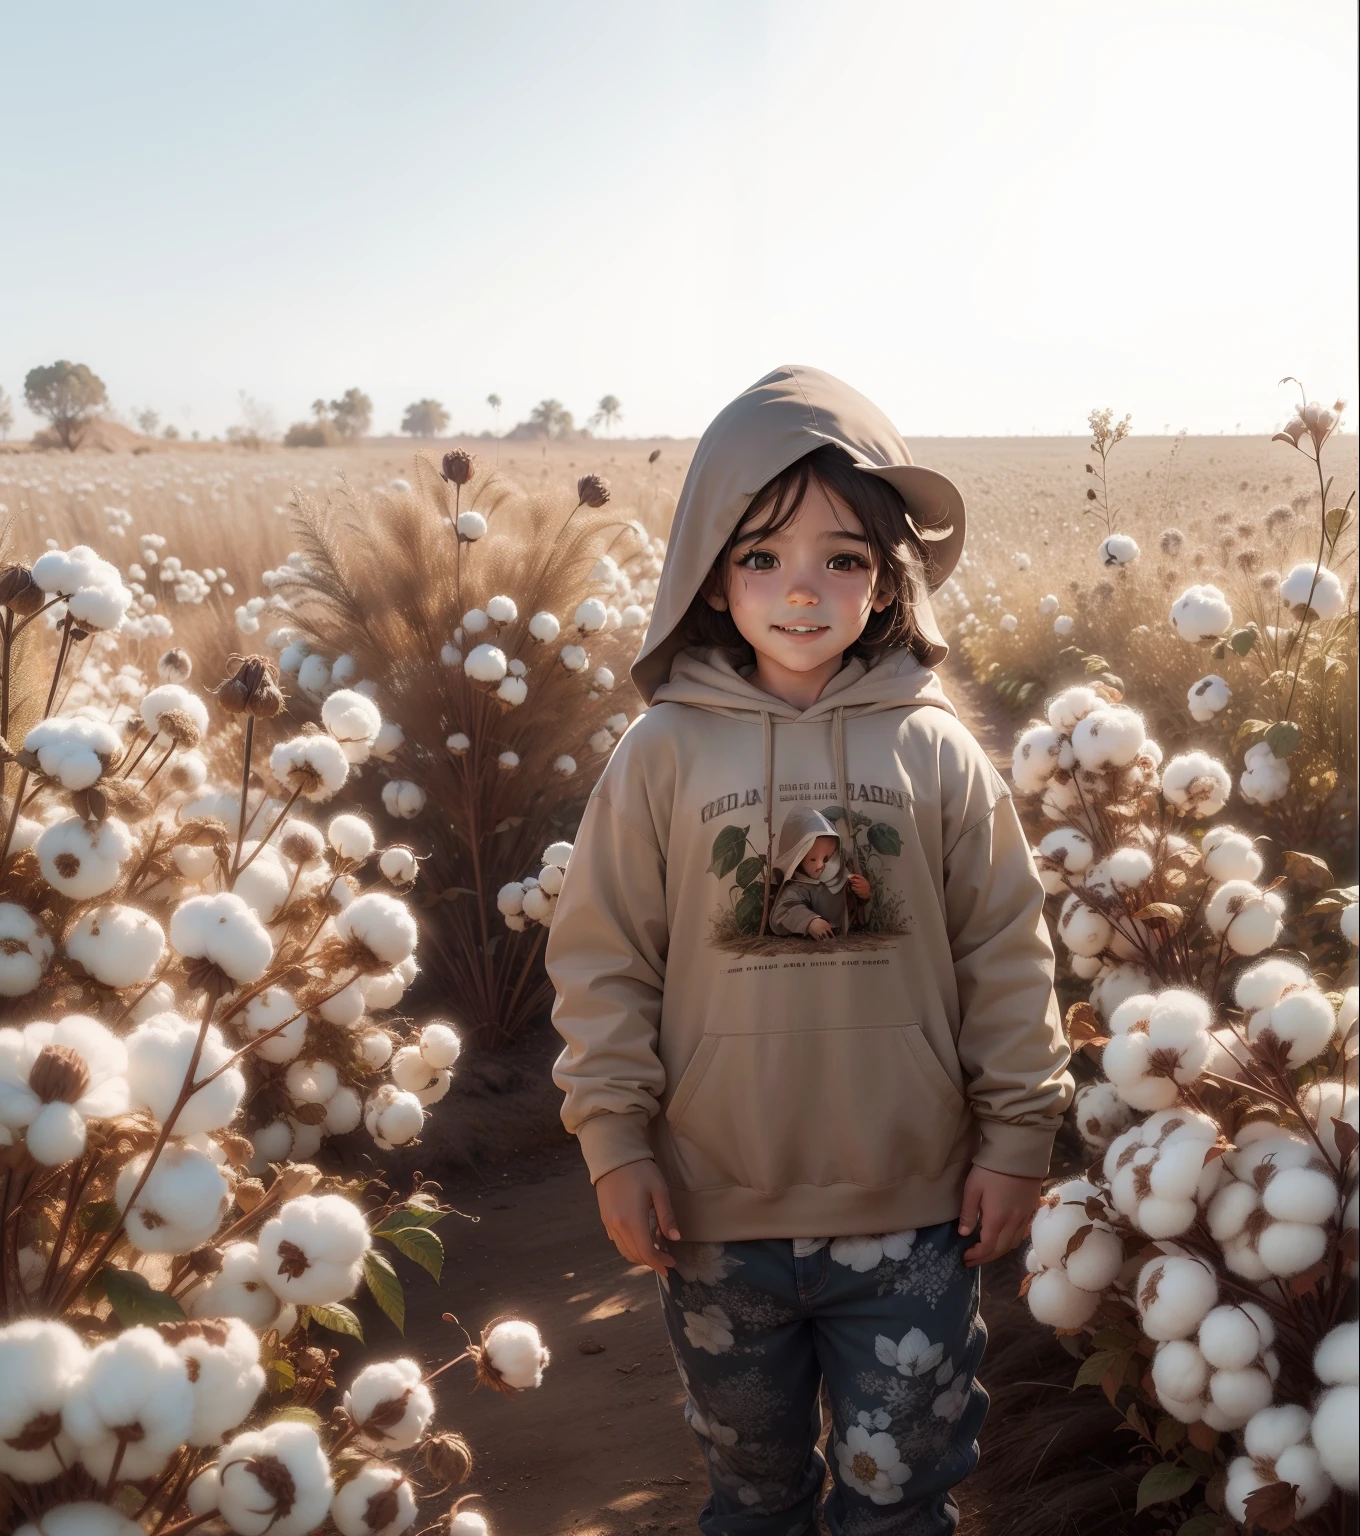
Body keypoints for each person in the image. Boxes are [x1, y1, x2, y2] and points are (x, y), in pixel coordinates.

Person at [546, 364, 1073, 1535]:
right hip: (711, 1216)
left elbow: (1004, 948)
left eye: (843, 559)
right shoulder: (662, 754)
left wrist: (1019, 1133)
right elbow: (604, 959)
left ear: (888, 578)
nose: (802, 591)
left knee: (899, 1501)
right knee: (754, 1499)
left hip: (915, 1216)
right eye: (762, 557)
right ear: (708, 575)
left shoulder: (935, 752)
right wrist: (613, 1138)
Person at [767, 806, 870, 940]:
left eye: (826, 858)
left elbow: (853, 904)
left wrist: (864, 893)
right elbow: (786, 908)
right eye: (812, 859)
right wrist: (810, 921)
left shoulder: (841, 877)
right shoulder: (798, 886)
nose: (820, 865)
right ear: (799, 858)